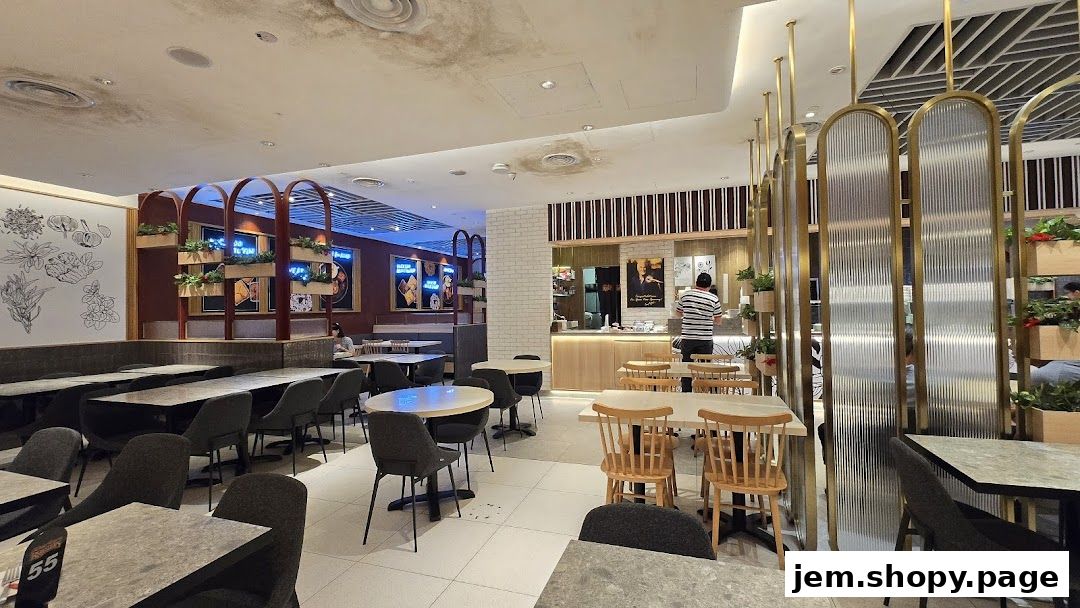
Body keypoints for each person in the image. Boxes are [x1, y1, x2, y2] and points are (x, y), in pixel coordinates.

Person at [675, 272, 723, 392]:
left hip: (688, 338)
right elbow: (718, 321)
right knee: (705, 368)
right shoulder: (713, 298)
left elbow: (678, 313)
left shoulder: (686, 295)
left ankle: (686, 393)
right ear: (709, 285)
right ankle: (704, 392)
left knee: (686, 367)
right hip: (705, 339)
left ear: (696, 283)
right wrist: (708, 317)